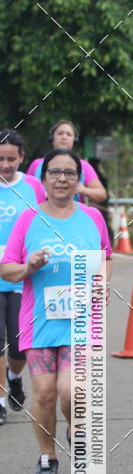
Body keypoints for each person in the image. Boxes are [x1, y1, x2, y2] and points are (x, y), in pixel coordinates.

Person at [0, 148, 112, 474]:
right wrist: (28, 266)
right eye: (55, 172)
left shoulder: (92, 218)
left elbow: (105, 256)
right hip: (39, 323)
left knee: (71, 391)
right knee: (45, 393)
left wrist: (101, 282)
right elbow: (7, 268)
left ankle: (75, 431)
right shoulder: (29, 219)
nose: (62, 178)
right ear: (43, 177)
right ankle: (47, 455)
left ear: (78, 179)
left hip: (82, 321)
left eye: (69, 172)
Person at [0, 130, 46, 425]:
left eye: (10, 159)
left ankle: (14, 376)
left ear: (21, 158)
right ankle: (0, 400)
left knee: (18, 345)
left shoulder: (32, 187)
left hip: (22, 277)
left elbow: (45, 220)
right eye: (0, 159)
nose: (4, 164)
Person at [27, 120, 107, 204]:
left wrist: (83, 190)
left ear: (74, 140)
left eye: (69, 134)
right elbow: (25, 191)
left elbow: (102, 194)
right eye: (60, 133)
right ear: (52, 138)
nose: (64, 137)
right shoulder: (36, 164)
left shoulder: (84, 166)